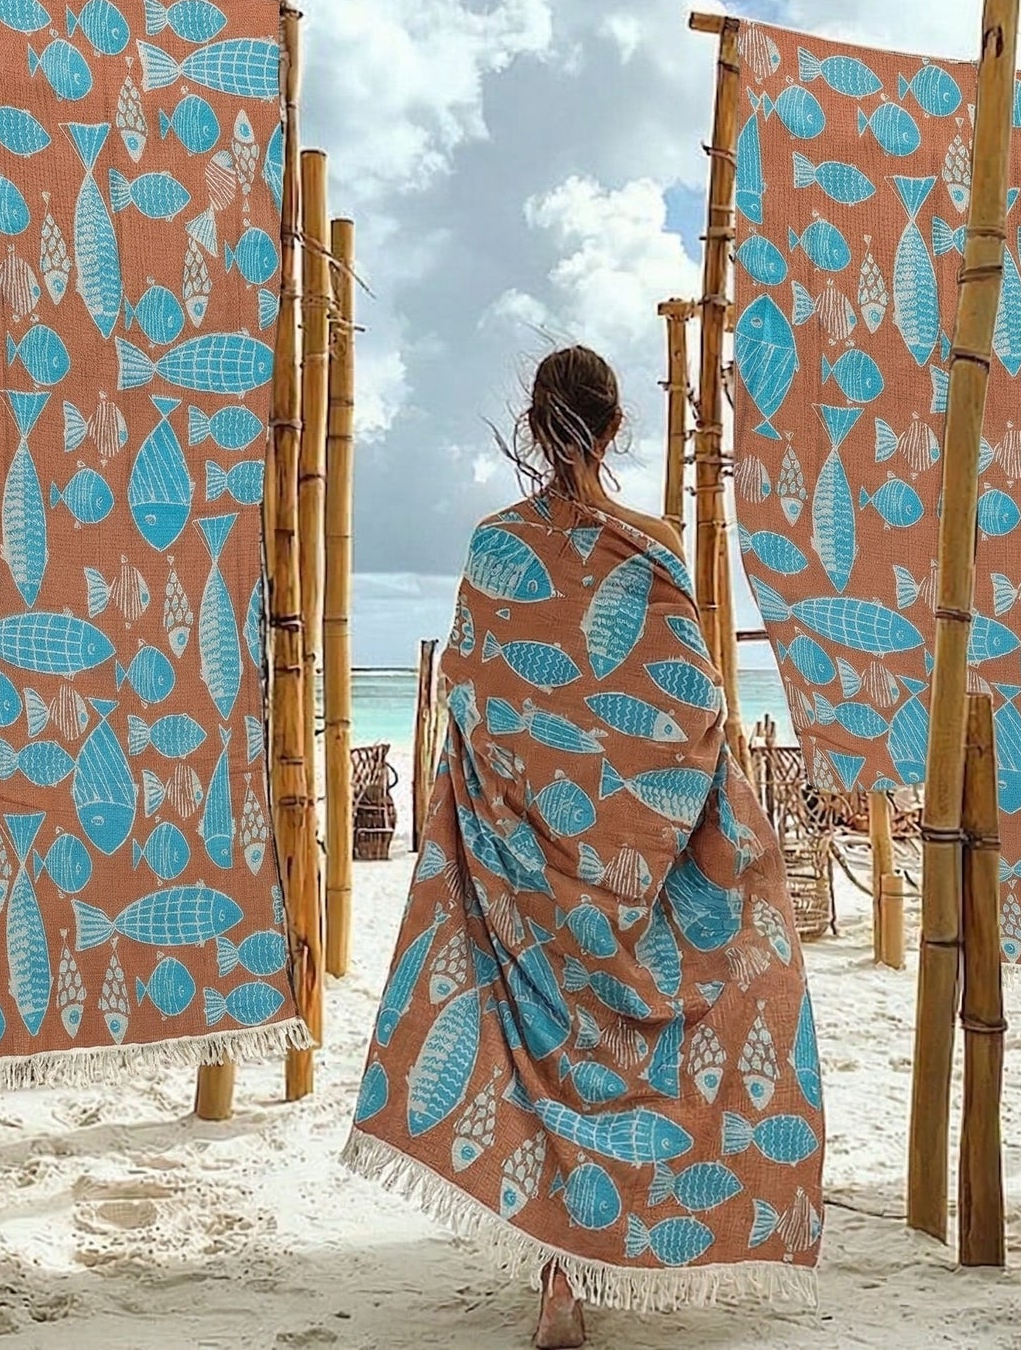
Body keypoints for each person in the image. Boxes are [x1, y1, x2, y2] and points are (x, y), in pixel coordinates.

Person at [341, 346, 824, 1347]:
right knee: (633, 1055)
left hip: (522, 859)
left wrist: (510, 815)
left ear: (529, 424)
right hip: (632, 858)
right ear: (614, 429)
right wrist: (666, 835)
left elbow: (469, 706)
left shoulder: (490, 547)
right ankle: (620, 1246)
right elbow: (692, 715)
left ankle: (558, 1278)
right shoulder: (651, 548)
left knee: (544, 1058)